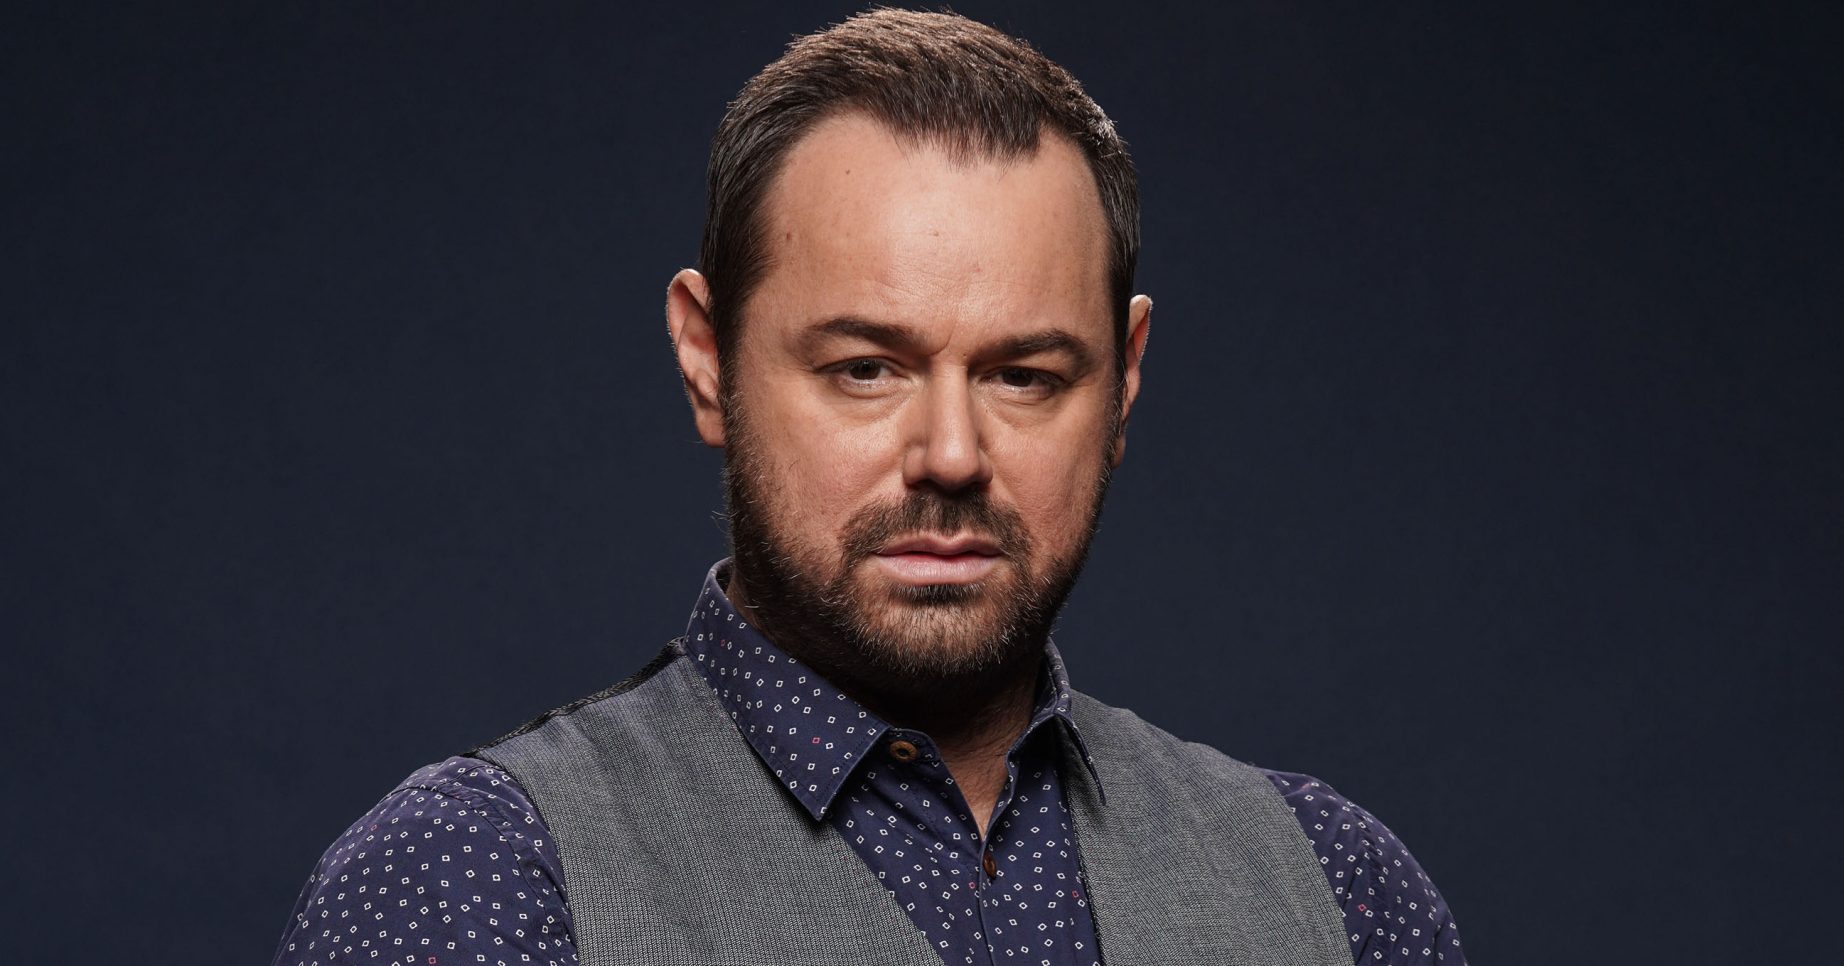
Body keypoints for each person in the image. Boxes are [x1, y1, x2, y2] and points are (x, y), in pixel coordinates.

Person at [272, 9, 1466, 966]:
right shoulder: (478, 884)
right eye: (864, 368)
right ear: (707, 360)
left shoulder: (1336, 893)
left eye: (1023, 376)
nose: (949, 452)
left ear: (1124, 381)